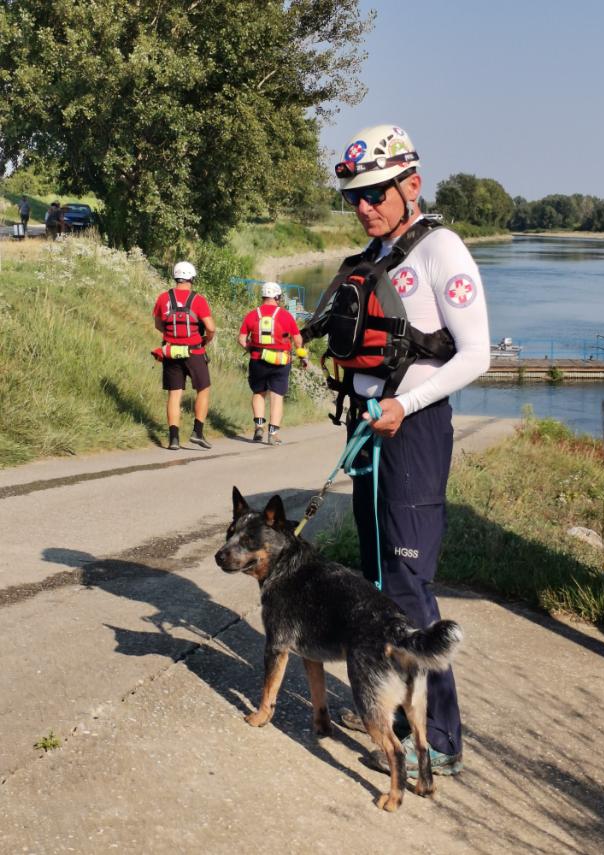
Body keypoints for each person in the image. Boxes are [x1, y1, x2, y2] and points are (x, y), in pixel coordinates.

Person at [304, 124, 490, 776]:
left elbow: (476, 354)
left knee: (408, 586)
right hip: (366, 430)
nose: (364, 205)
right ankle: (390, 704)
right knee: (377, 583)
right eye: (354, 196)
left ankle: (438, 734)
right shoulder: (373, 256)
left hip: (411, 432)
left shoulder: (441, 250)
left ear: (411, 183)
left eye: (376, 192)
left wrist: (403, 405)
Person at [152, 261, 216, 450]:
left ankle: (173, 439)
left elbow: (158, 323)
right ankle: (197, 432)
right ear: (192, 278)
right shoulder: (198, 300)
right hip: (194, 350)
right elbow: (211, 327)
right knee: (203, 389)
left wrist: (171, 335)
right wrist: (206, 339)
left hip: (170, 351)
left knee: (174, 394)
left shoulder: (163, 298)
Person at [237, 281, 307, 445]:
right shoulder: (285, 315)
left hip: (257, 360)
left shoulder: (252, 314)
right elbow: (297, 341)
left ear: (263, 296)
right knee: (277, 397)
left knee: (259, 393)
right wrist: (303, 357)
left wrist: (251, 349)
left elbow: (241, 339)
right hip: (280, 361)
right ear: (277, 297)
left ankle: (259, 428)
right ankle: (273, 433)